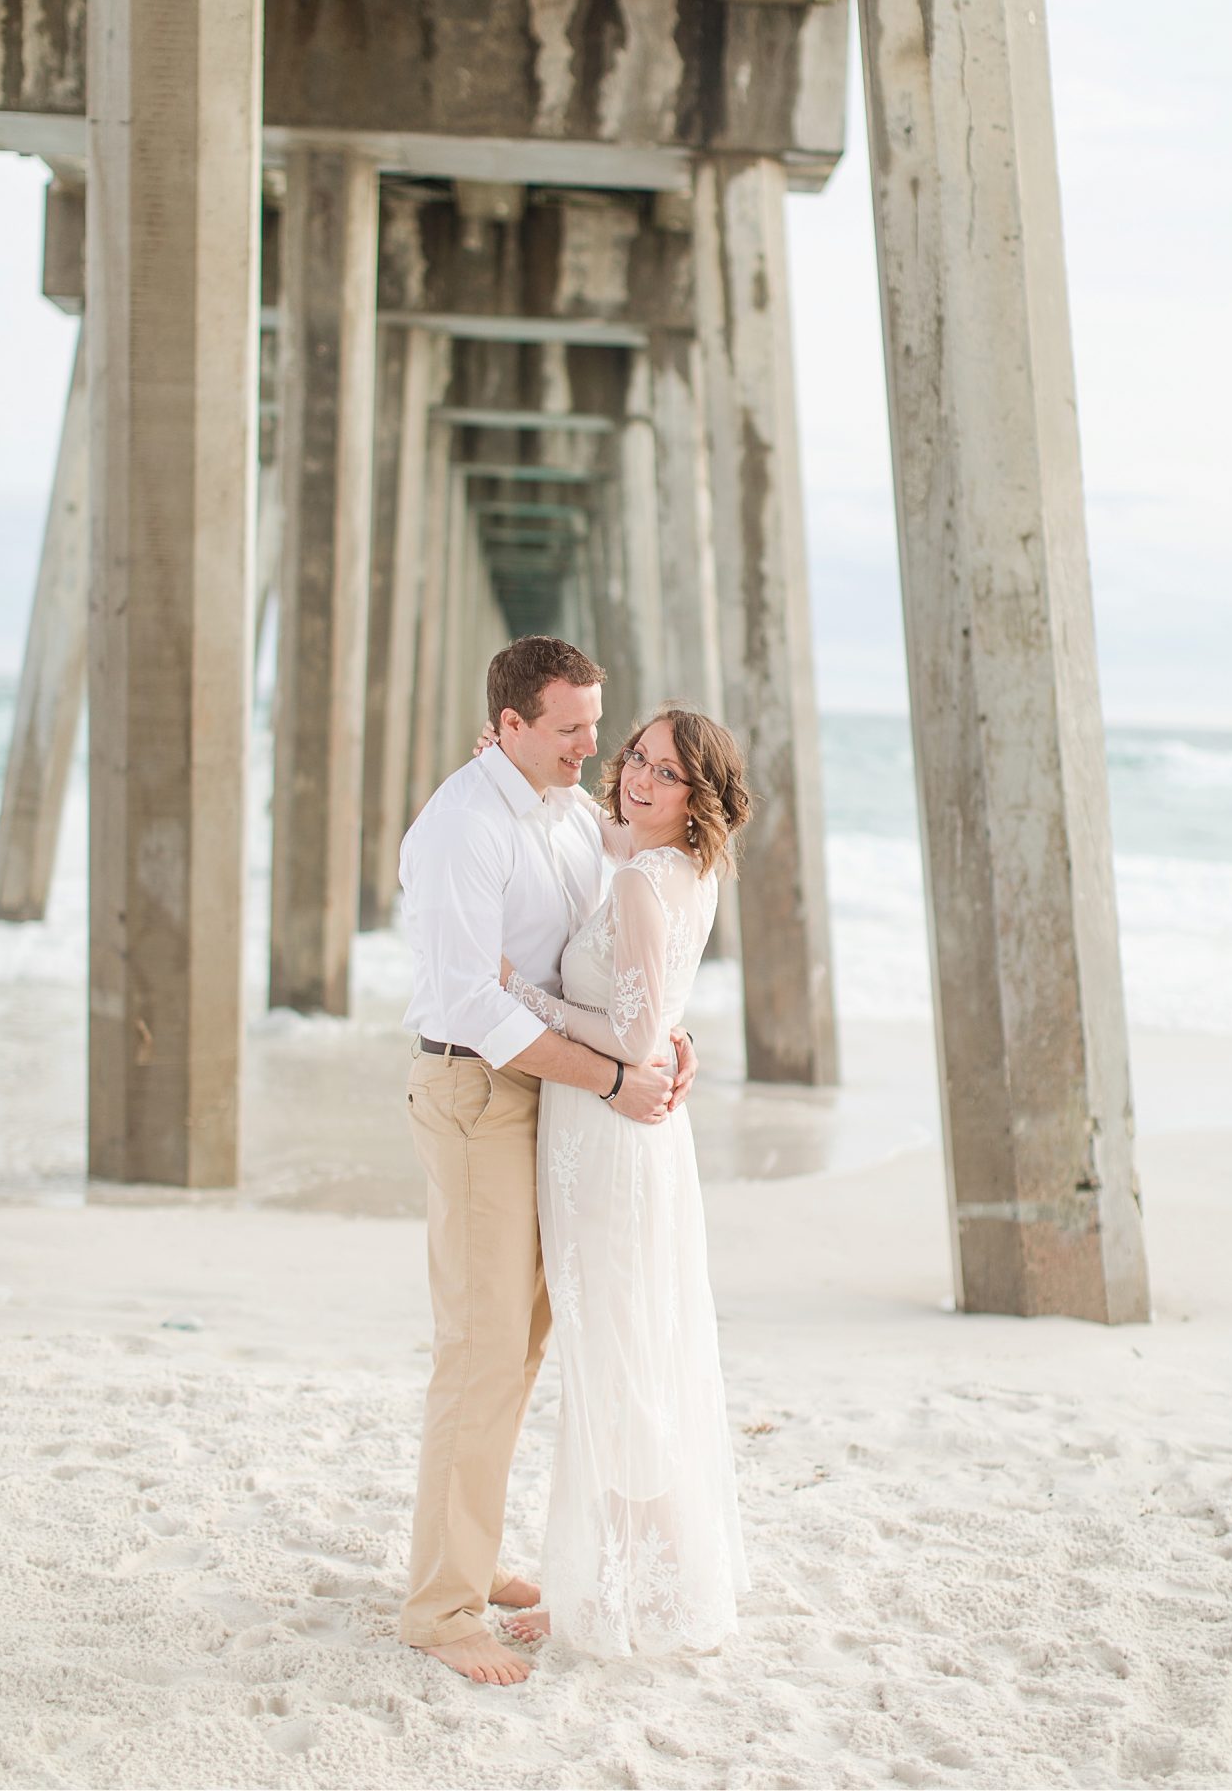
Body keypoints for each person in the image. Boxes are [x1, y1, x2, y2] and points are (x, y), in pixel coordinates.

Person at [396, 637, 699, 1687]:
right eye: (569, 726)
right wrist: (613, 1080)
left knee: (522, 1344)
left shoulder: (569, 810)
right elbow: (471, 998)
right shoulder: (461, 826)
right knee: (479, 1351)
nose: (593, 744)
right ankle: (440, 1606)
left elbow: (618, 960)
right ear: (511, 724)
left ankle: (467, 1559)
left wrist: (659, 1041)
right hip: (478, 1087)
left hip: (548, 1086)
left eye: (593, 723)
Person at [488, 704, 754, 1658]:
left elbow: (638, 1038)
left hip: (603, 1138)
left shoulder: (644, 880)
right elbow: (593, 830)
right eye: (636, 757)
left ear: (699, 797)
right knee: (627, 1353)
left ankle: (627, 1590)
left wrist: (522, 991)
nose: (639, 778)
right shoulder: (686, 865)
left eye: (667, 773)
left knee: (614, 1363)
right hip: (633, 1144)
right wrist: (522, 772)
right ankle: (619, 1580)